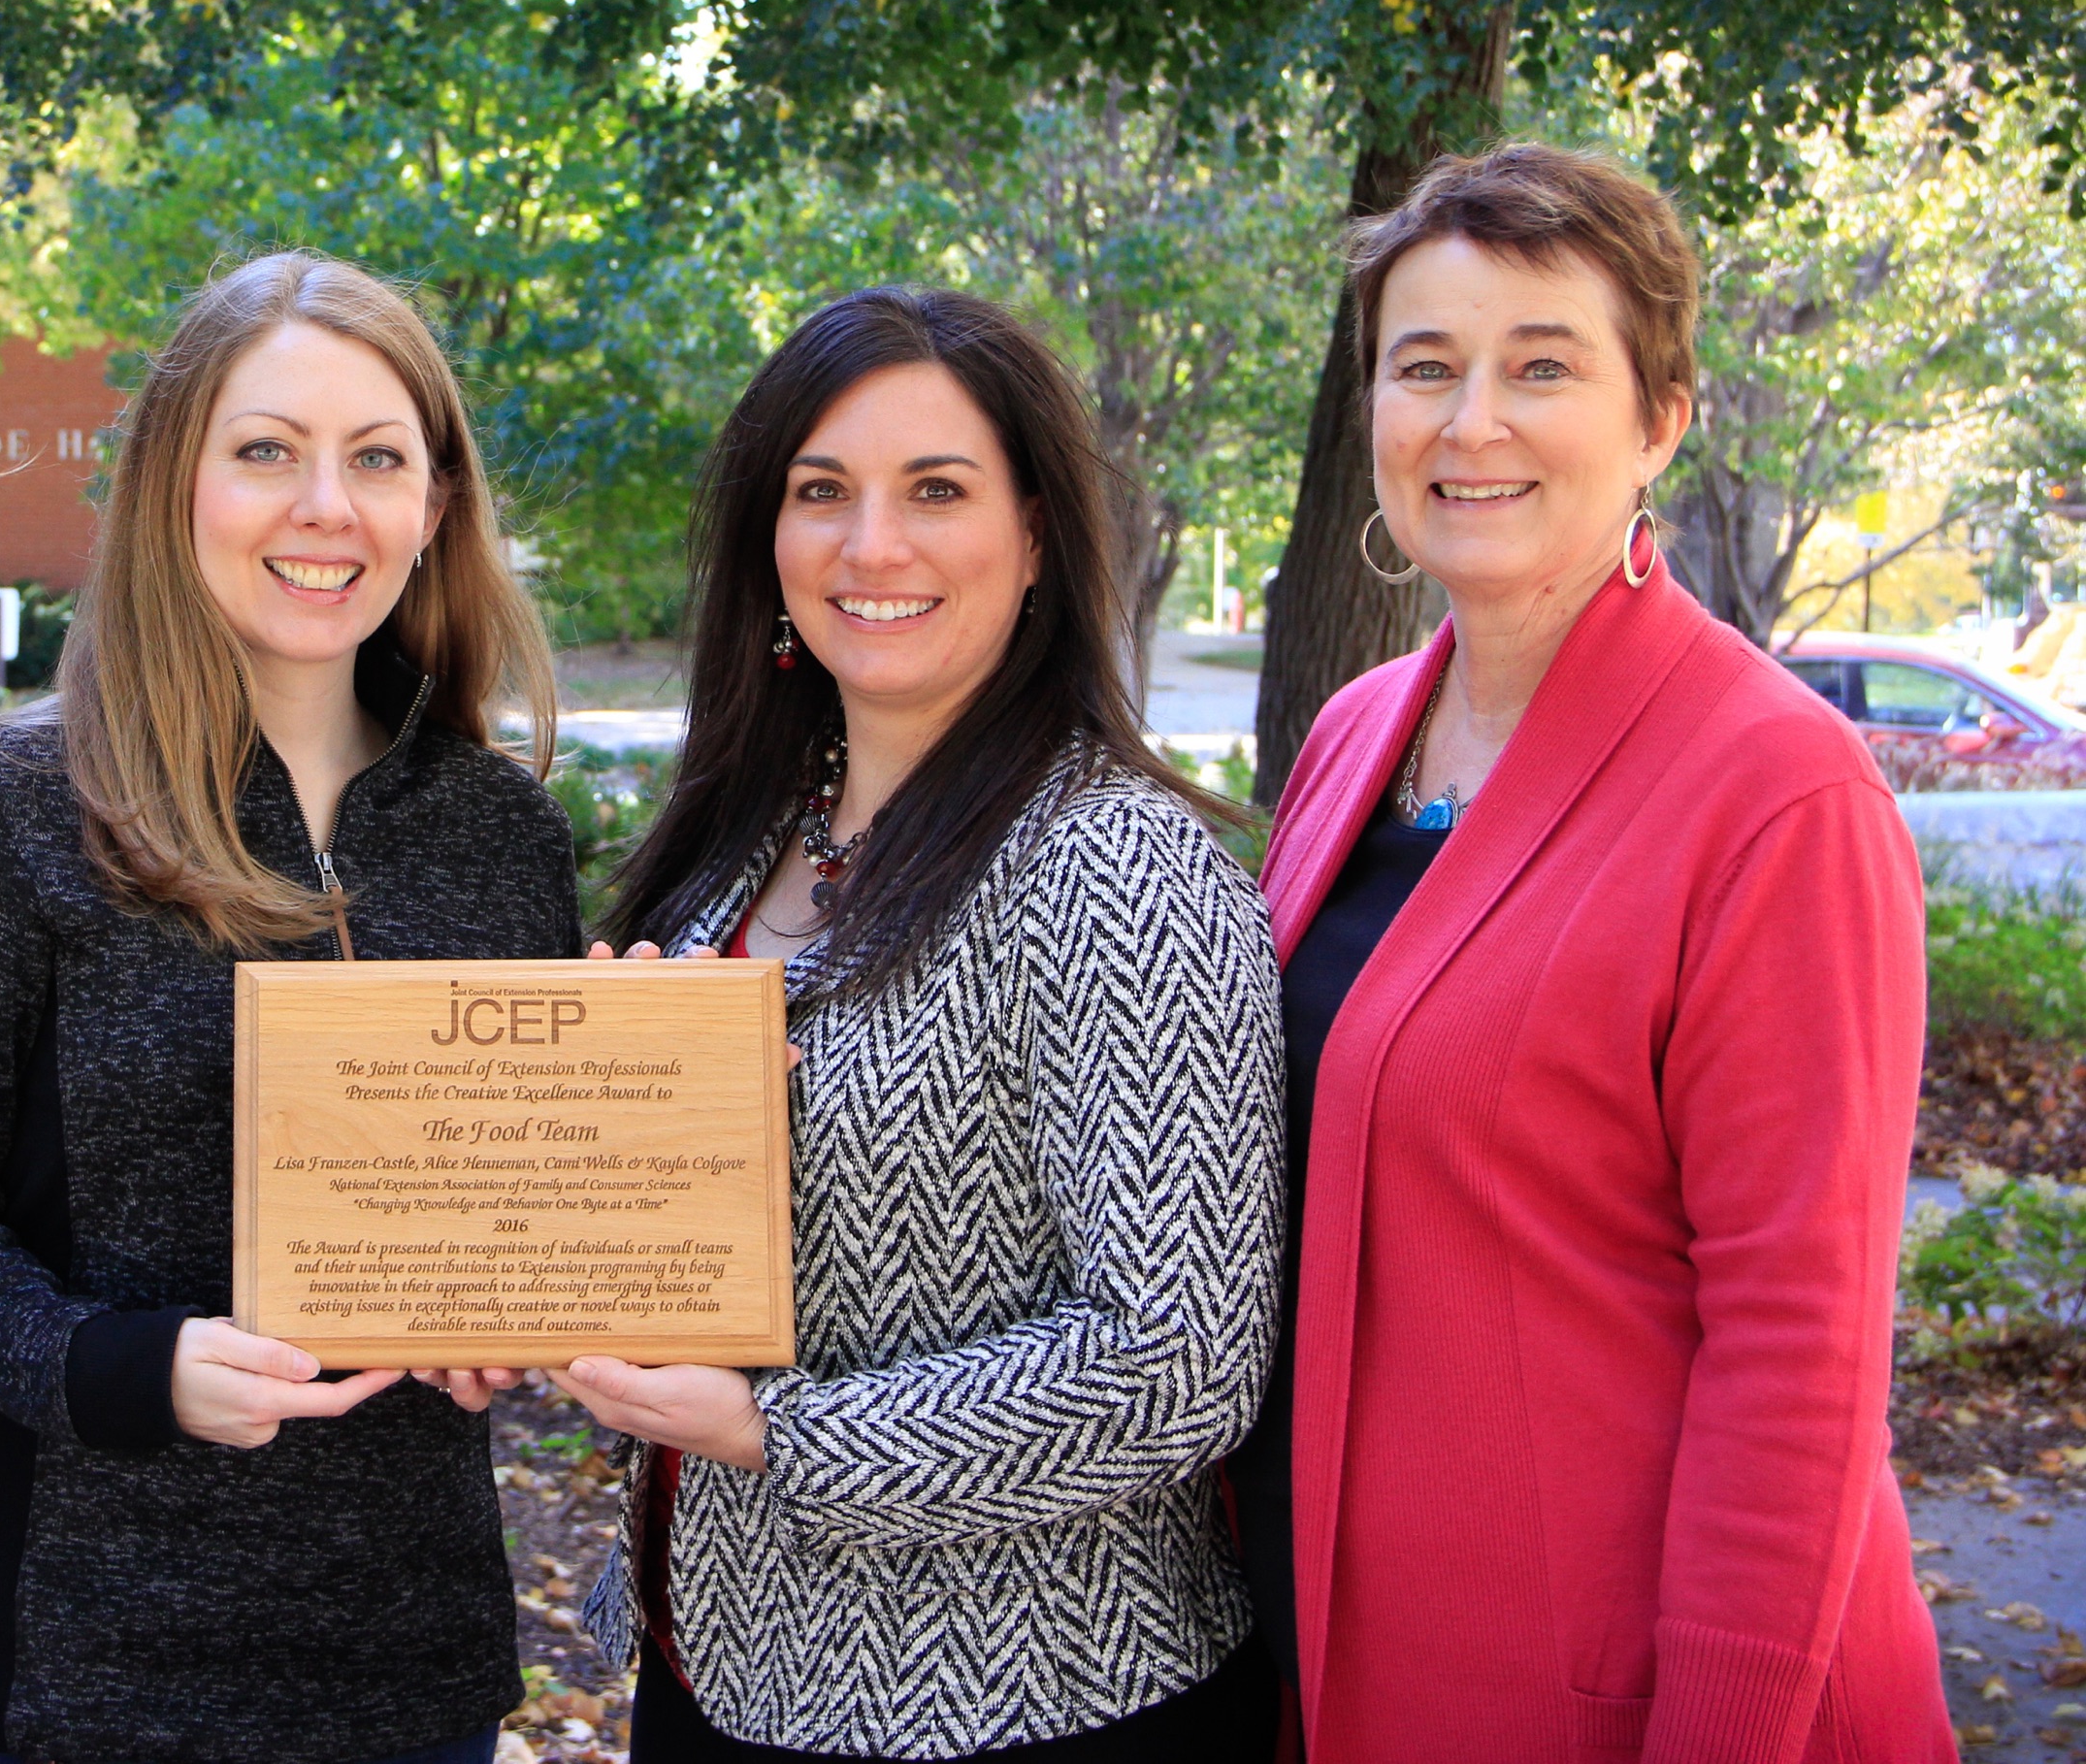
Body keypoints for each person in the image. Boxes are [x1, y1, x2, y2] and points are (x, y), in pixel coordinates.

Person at [1231, 142, 1951, 1759]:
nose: (1472, 421)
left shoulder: (1777, 793)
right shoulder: (1355, 735)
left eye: (1543, 367)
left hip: (1630, 1701)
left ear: (1659, 420)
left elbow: (1799, 1353)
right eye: (1426, 366)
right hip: (1351, 1667)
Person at [0, 251, 579, 1764]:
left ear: (437, 504)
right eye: (267, 452)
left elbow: (510, 1201)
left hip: (410, 1668)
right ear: (178, 483)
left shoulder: (503, 833)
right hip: (90, 1679)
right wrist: (120, 1366)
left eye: (378, 459)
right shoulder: (12, 813)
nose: (327, 507)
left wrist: (520, 1308)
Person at [569, 287, 1287, 1761]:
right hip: (720, 1663)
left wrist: (775, 1432)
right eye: (821, 490)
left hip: (1028, 1701)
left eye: (937, 491)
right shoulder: (749, 834)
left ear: (1035, 536)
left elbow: (1176, 1363)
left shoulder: (1112, 866)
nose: (871, 545)